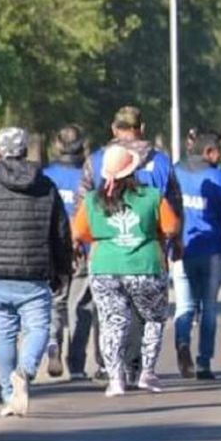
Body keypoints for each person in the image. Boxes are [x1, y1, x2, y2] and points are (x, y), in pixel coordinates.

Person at [0, 128, 72, 417]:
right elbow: (60, 234)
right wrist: (62, 270)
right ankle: (26, 371)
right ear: (24, 152)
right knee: (39, 328)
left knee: (4, 334)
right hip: (34, 274)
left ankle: (9, 396)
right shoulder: (45, 185)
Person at [73, 144, 180, 397]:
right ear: (133, 170)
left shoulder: (91, 200)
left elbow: (78, 233)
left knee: (112, 323)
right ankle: (147, 373)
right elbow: (171, 227)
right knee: (153, 318)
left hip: (104, 268)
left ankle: (115, 379)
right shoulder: (152, 197)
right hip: (146, 266)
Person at [171, 130, 221, 380]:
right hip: (211, 251)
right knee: (208, 307)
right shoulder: (218, 178)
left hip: (181, 248)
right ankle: (204, 361)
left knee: (184, 305)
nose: (220, 155)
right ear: (208, 152)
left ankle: (182, 342)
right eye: (218, 150)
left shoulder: (175, 173)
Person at [42, 125, 93, 381]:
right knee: (81, 306)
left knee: (55, 302)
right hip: (83, 248)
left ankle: (53, 343)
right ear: (82, 145)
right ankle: (77, 364)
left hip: (52, 248)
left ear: (57, 144)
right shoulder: (89, 176)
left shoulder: (45, 175)